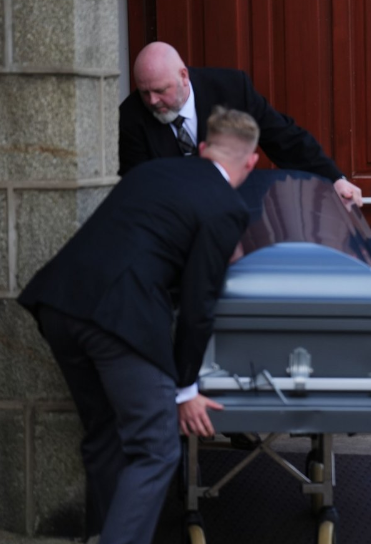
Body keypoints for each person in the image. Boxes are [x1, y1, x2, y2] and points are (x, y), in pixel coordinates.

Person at [17, 107, 260, 543]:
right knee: (156, 448)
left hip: (59, 303)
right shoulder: (226, 206)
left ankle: (99, 535)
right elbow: (198, 303)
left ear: (203, 149)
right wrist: (185, 389)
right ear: (252, 161)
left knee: (106, 434)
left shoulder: (153, 173)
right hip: (120, 320)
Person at [119, 41, 362, 207]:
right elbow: (139, 185)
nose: (152, 101)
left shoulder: (232, 88)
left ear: (184, 76)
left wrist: (334, 179)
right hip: (171, 226)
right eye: (144, 92)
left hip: (237, 217)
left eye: (161, 90)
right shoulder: (132, 115)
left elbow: (285, 138)